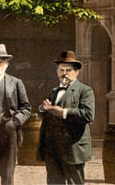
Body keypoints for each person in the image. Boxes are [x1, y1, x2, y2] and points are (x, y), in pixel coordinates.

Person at [37, 50, 94, 185]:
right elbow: (47, 114)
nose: (64, 73)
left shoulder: (85, 91)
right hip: (53, 148)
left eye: (68, 70)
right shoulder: (54, 91)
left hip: (73, 148)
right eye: (61, 70)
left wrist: (63, 112)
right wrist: (42, 109)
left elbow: (88, 115)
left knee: (75, 182)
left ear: (76, 72)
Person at [0, 43, 31, 185]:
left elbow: (26, 108)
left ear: (7, 63)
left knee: (8, 173)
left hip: (8, 132)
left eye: (1, 61)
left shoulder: (16, 83)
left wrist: (14, 122)